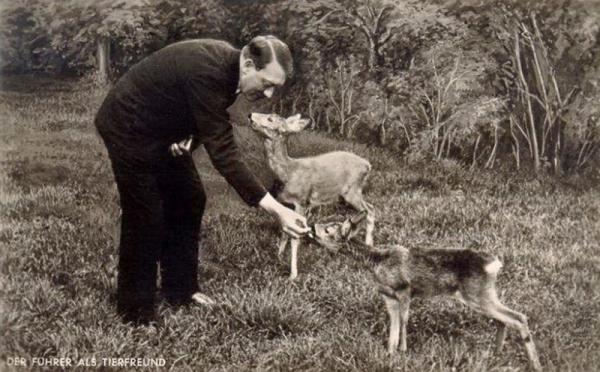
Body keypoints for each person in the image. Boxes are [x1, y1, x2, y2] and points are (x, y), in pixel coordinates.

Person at [94, 35, 310, 325]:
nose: (270, 95)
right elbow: (224, 152)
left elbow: (201, 111)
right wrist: (278, 210)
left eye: (275, 87)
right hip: (127, 126)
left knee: (190, 197)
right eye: (267, 83)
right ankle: (135, 310)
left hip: (161, 130)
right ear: (248, 64)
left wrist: (188, 136)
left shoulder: (229, 70)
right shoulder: (210, 70)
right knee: (145, 214)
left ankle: (180, 290)